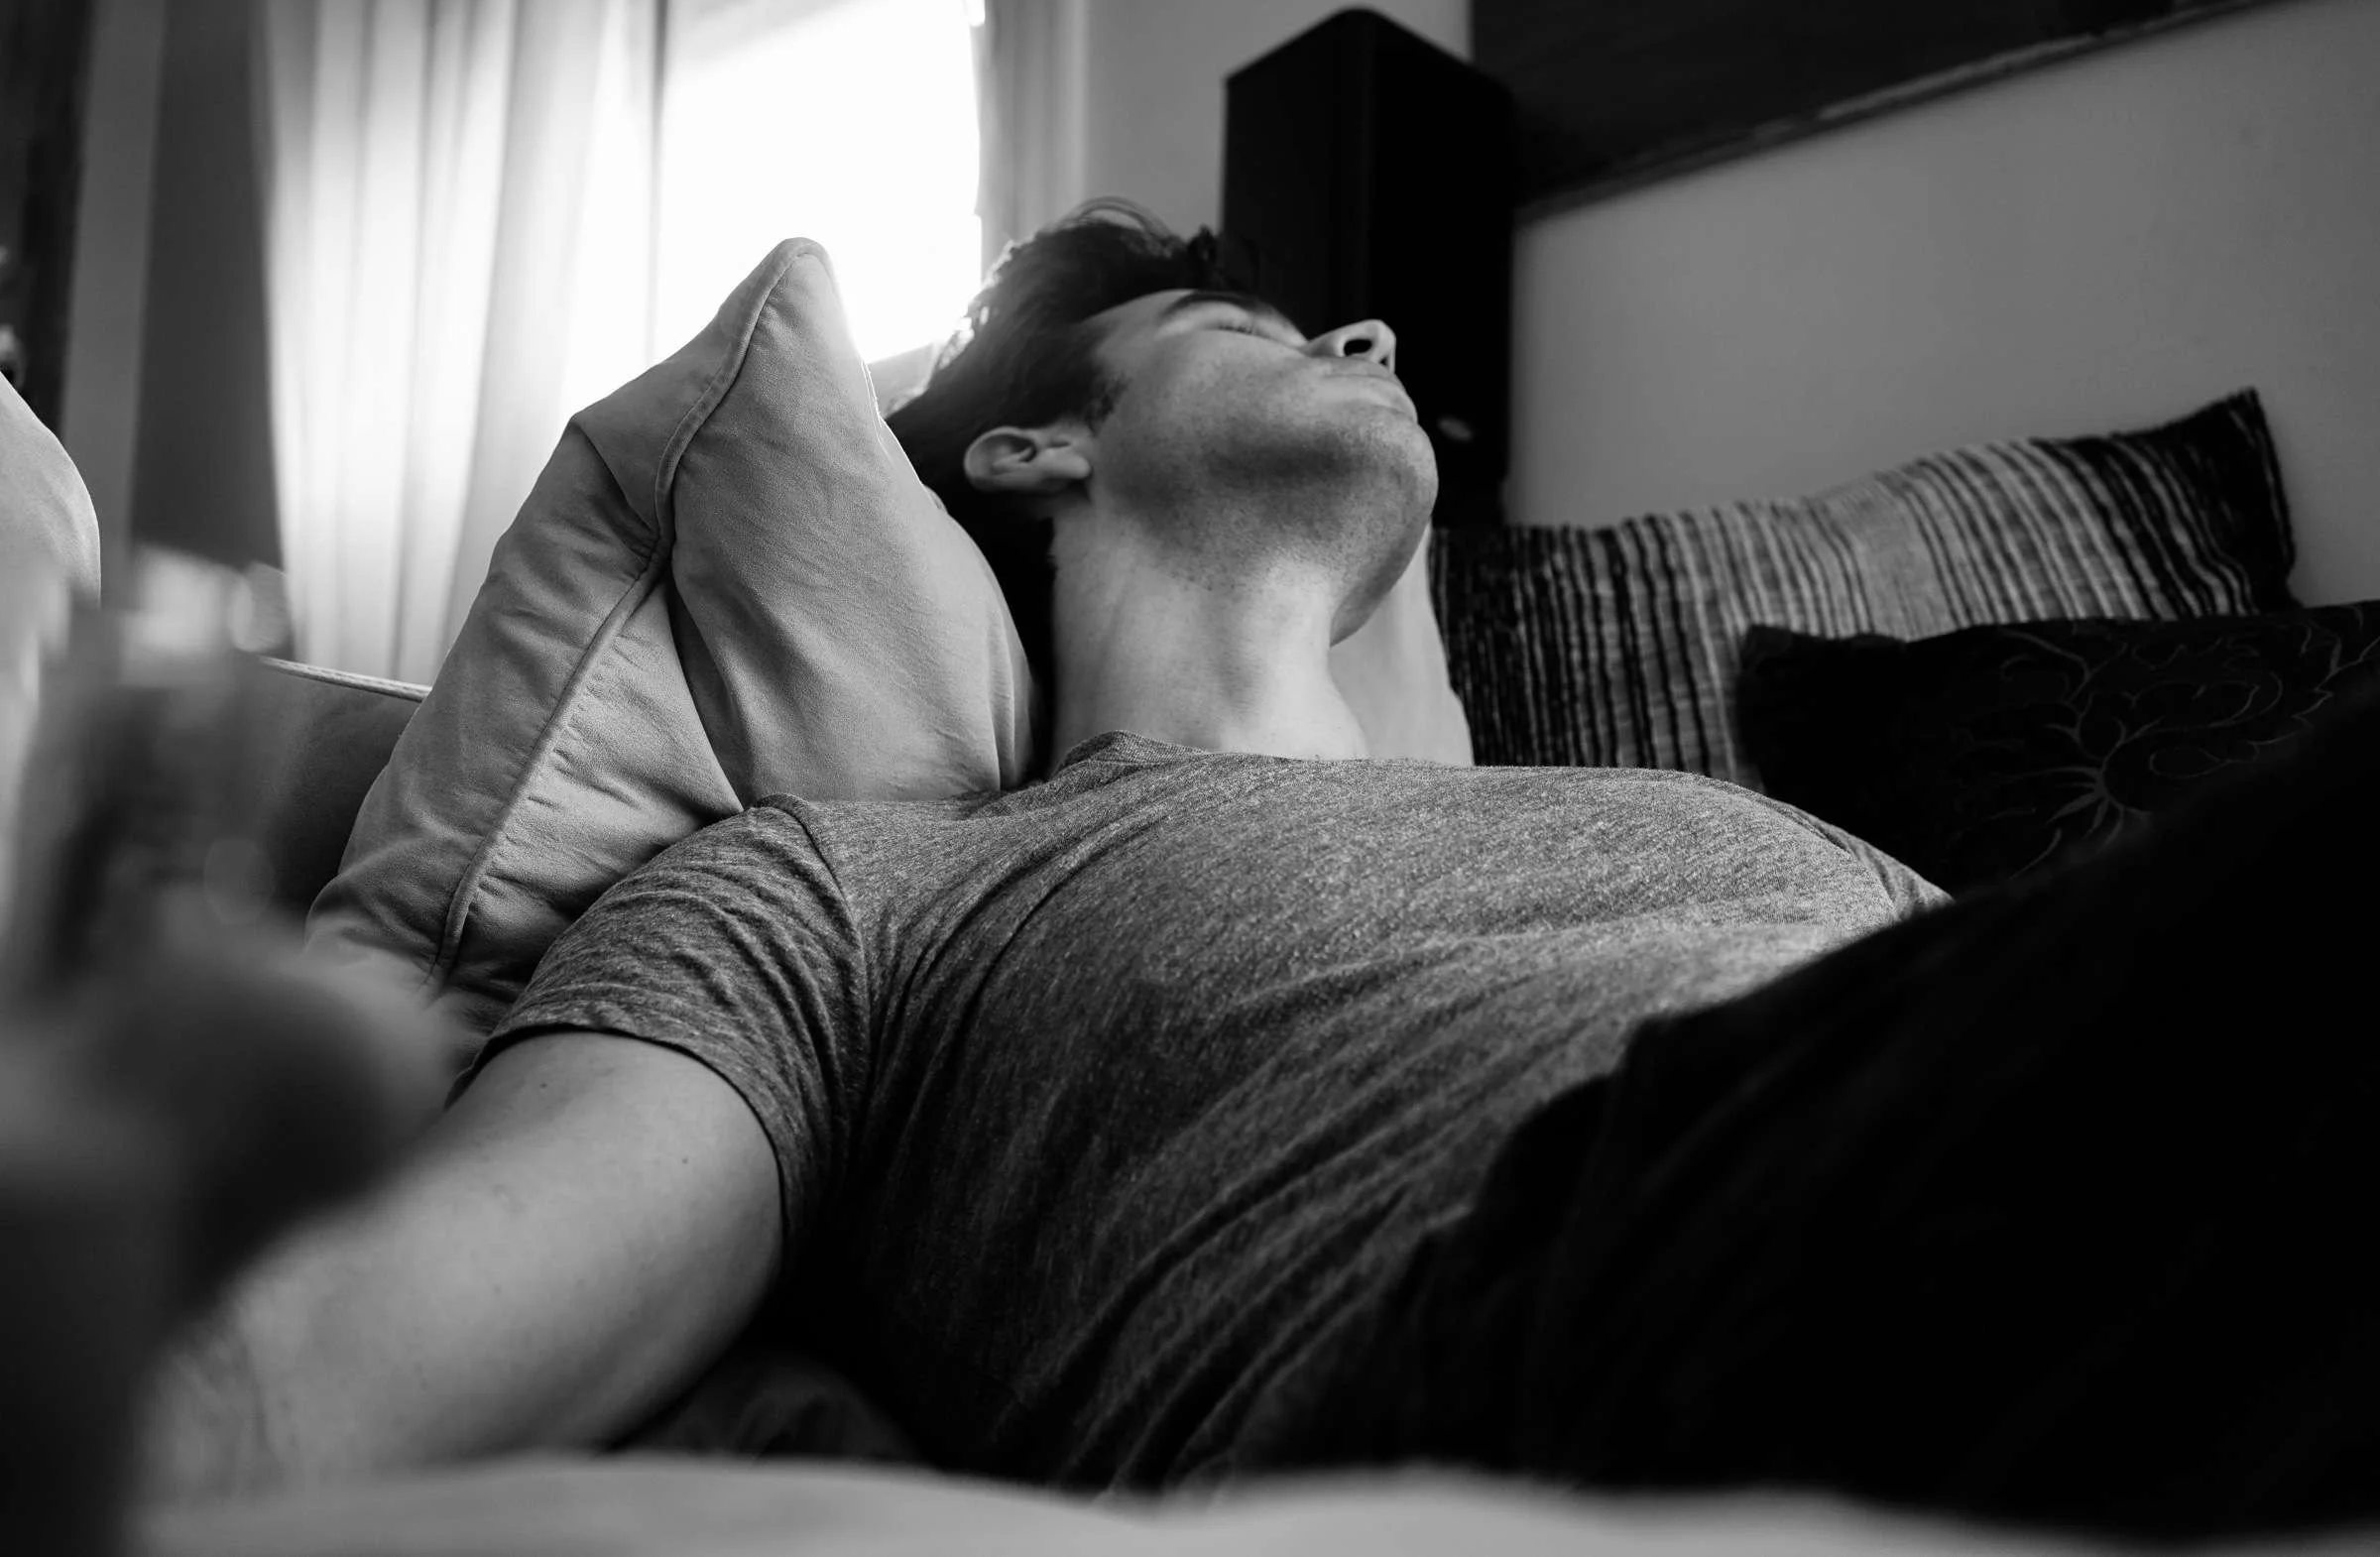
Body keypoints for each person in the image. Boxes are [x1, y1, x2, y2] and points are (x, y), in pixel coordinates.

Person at [127, 203, 2380, 1544]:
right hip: (1541, 1329)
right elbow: (318, 1388)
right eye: (1260, 327)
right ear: (1039, 443)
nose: (1373, 335)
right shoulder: (856, 892)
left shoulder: (1716, 822)